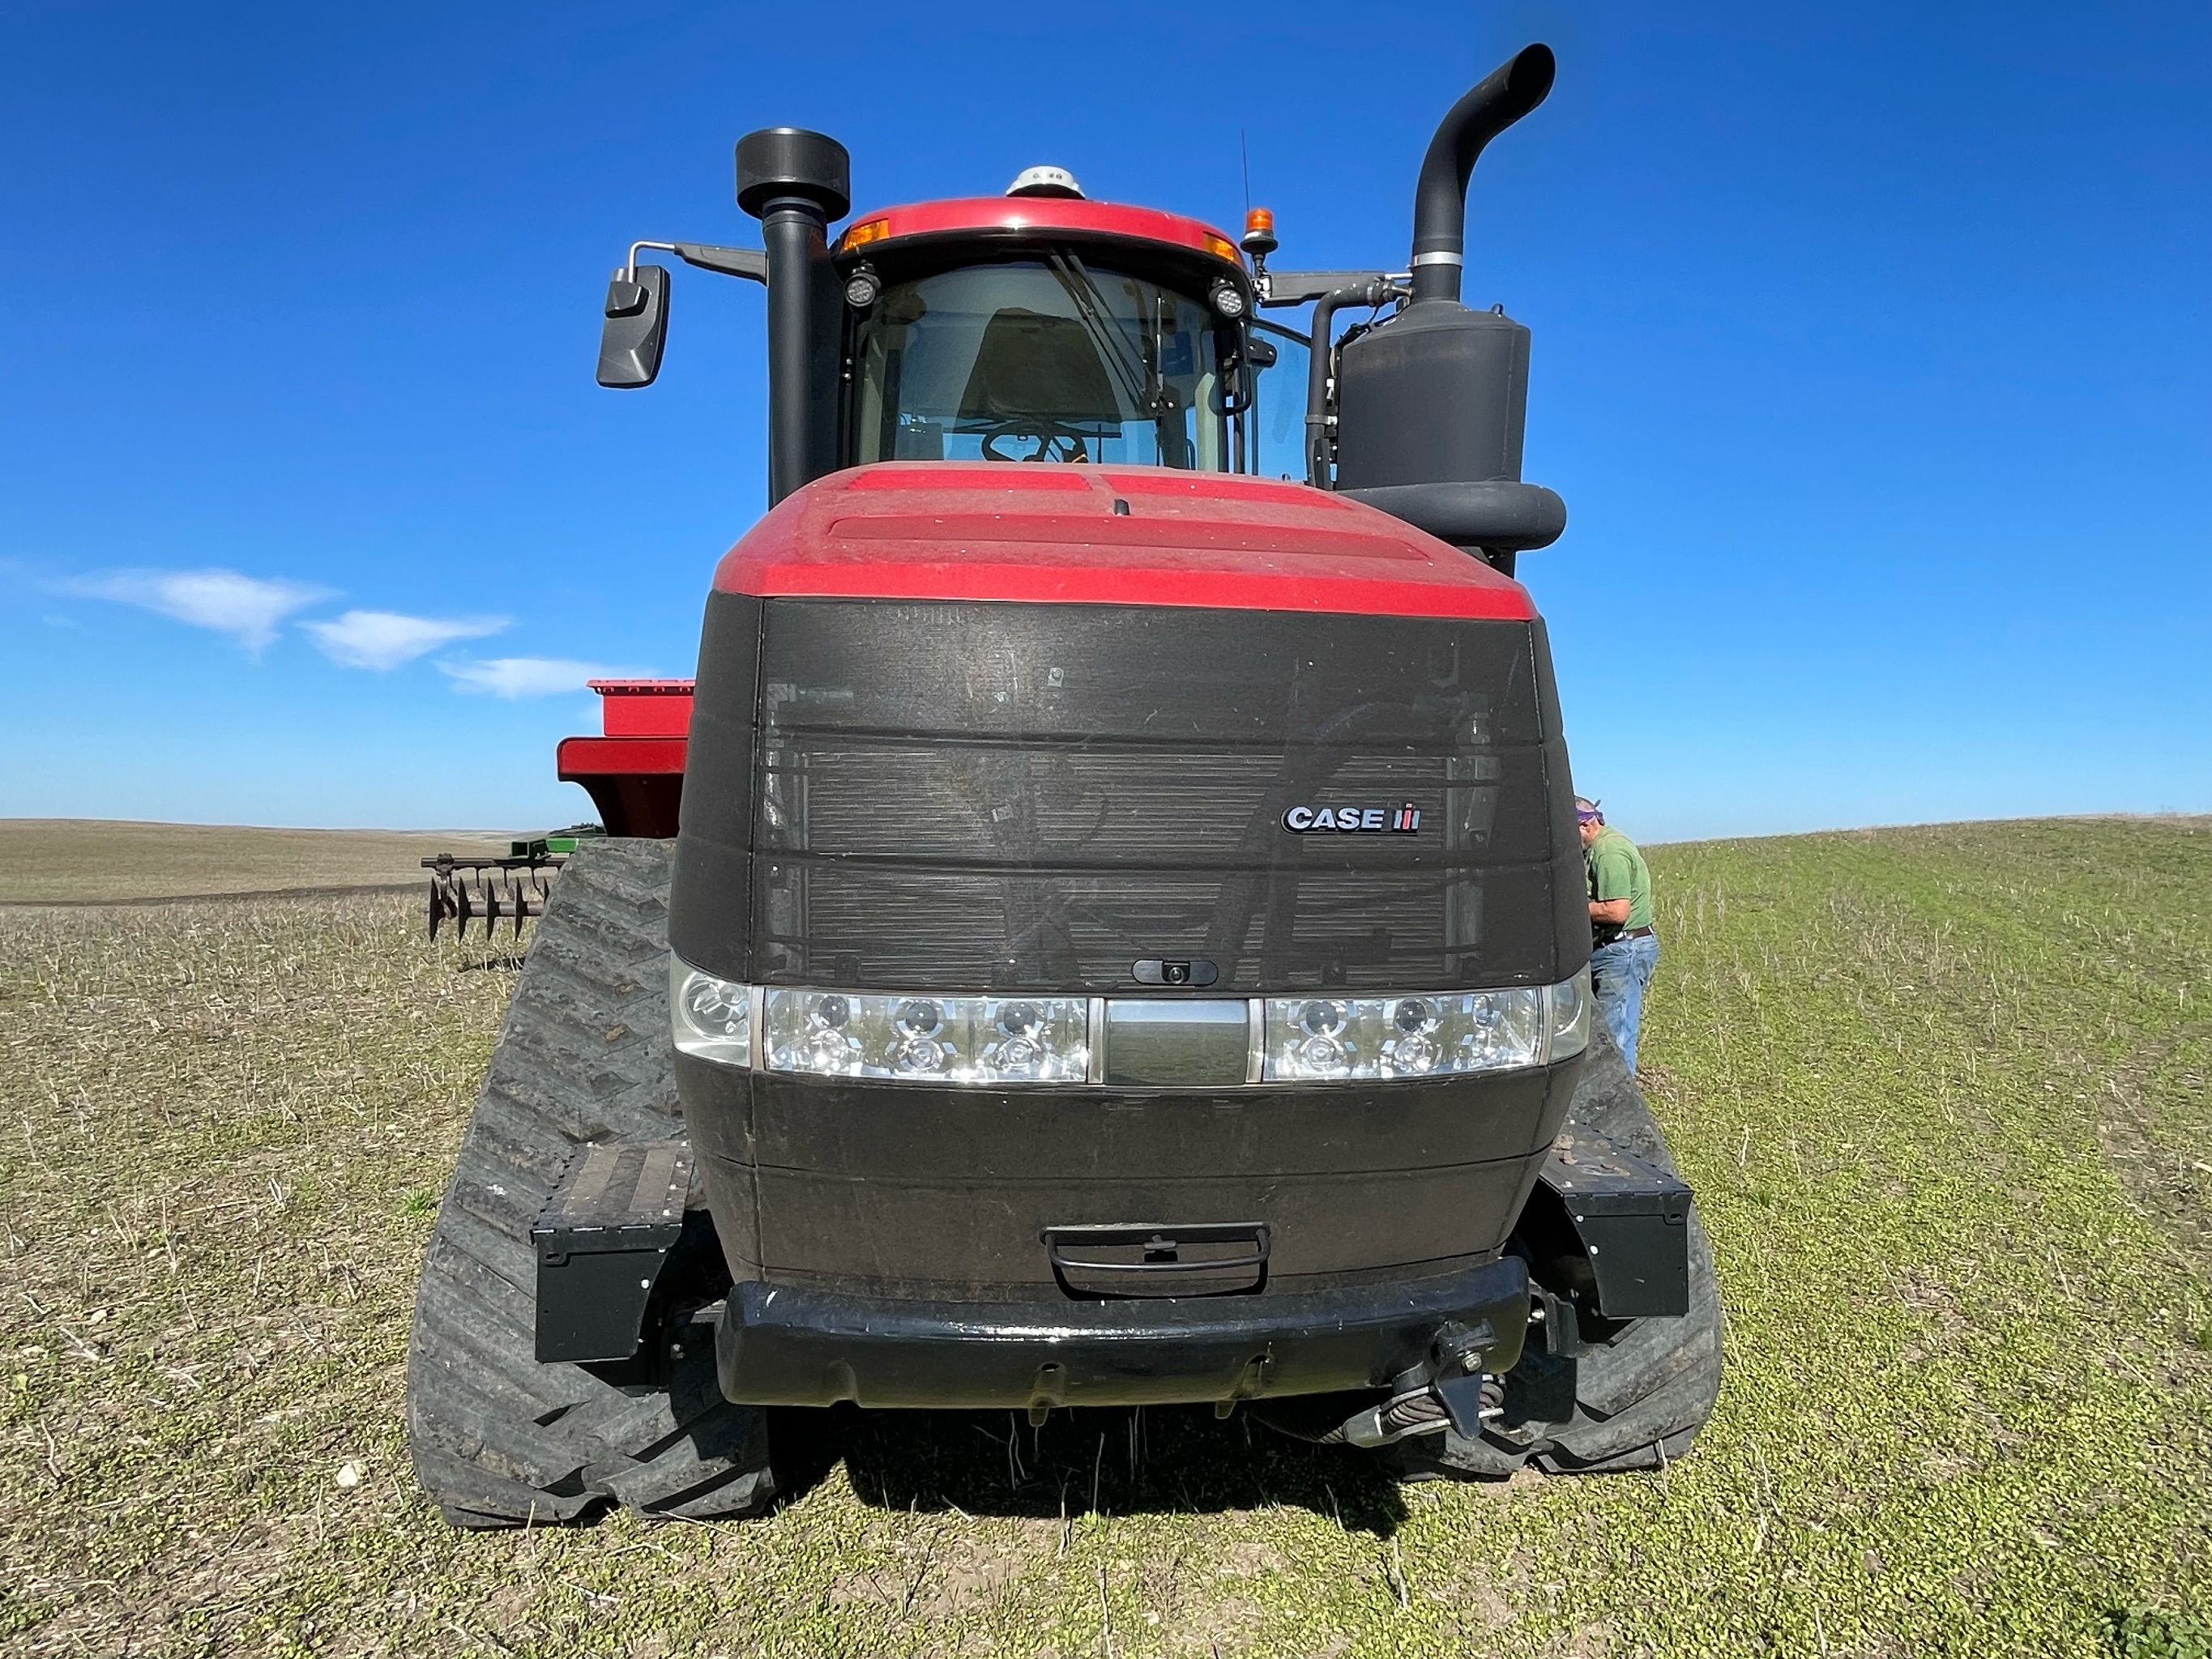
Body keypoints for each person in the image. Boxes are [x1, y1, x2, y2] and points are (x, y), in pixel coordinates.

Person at [1577, 797, 1658, 1072]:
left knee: (1617, 1034)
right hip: (1616, 948)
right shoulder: (1602, 847)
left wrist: (1571, 907)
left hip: (1623, 950)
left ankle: (1620, 1104)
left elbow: (1617, 911)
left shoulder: (1608, 851)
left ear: (1586, 825)